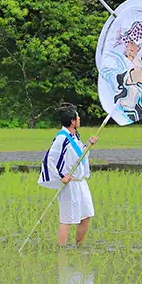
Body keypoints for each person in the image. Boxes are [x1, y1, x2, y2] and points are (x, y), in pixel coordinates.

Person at [38, 104, 99, 247]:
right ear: (72, 121)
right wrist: (61, 176)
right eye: (77, 117)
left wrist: (88, 145)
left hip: (80, 181)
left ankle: (78, 247)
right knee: (66, 219)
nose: (79, 119)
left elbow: (78, 156)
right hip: (69, 183)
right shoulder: (61, 138)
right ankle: (62, 252)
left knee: (87, 215)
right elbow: (49, 159)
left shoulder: (74, 136)